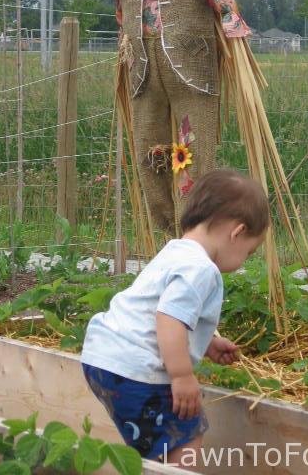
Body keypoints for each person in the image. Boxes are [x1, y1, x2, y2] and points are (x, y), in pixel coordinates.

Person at [81, 170, 270, 468]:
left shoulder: (175, 252)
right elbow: (168, 317)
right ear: (237, 232)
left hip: (103, 358)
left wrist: (205, 343)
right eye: (249, 251)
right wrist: (182, 375)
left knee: (154, 442)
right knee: (185, 439)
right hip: (137, 370)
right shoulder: (201, 269)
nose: (244, 260)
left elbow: (160, 312)